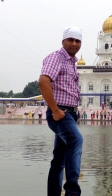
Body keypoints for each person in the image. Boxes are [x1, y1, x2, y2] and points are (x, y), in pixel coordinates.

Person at [39, 26, 83, 196]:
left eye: (77, 40)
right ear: (63, 41)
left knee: (59, 159)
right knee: (76, 140)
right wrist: (55, 109)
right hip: (61, 113)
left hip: (69, 113)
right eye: (70, 39)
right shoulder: (56, 57)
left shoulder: (71, 62)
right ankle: (72, 192)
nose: (74, 43)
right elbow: (43, 81)